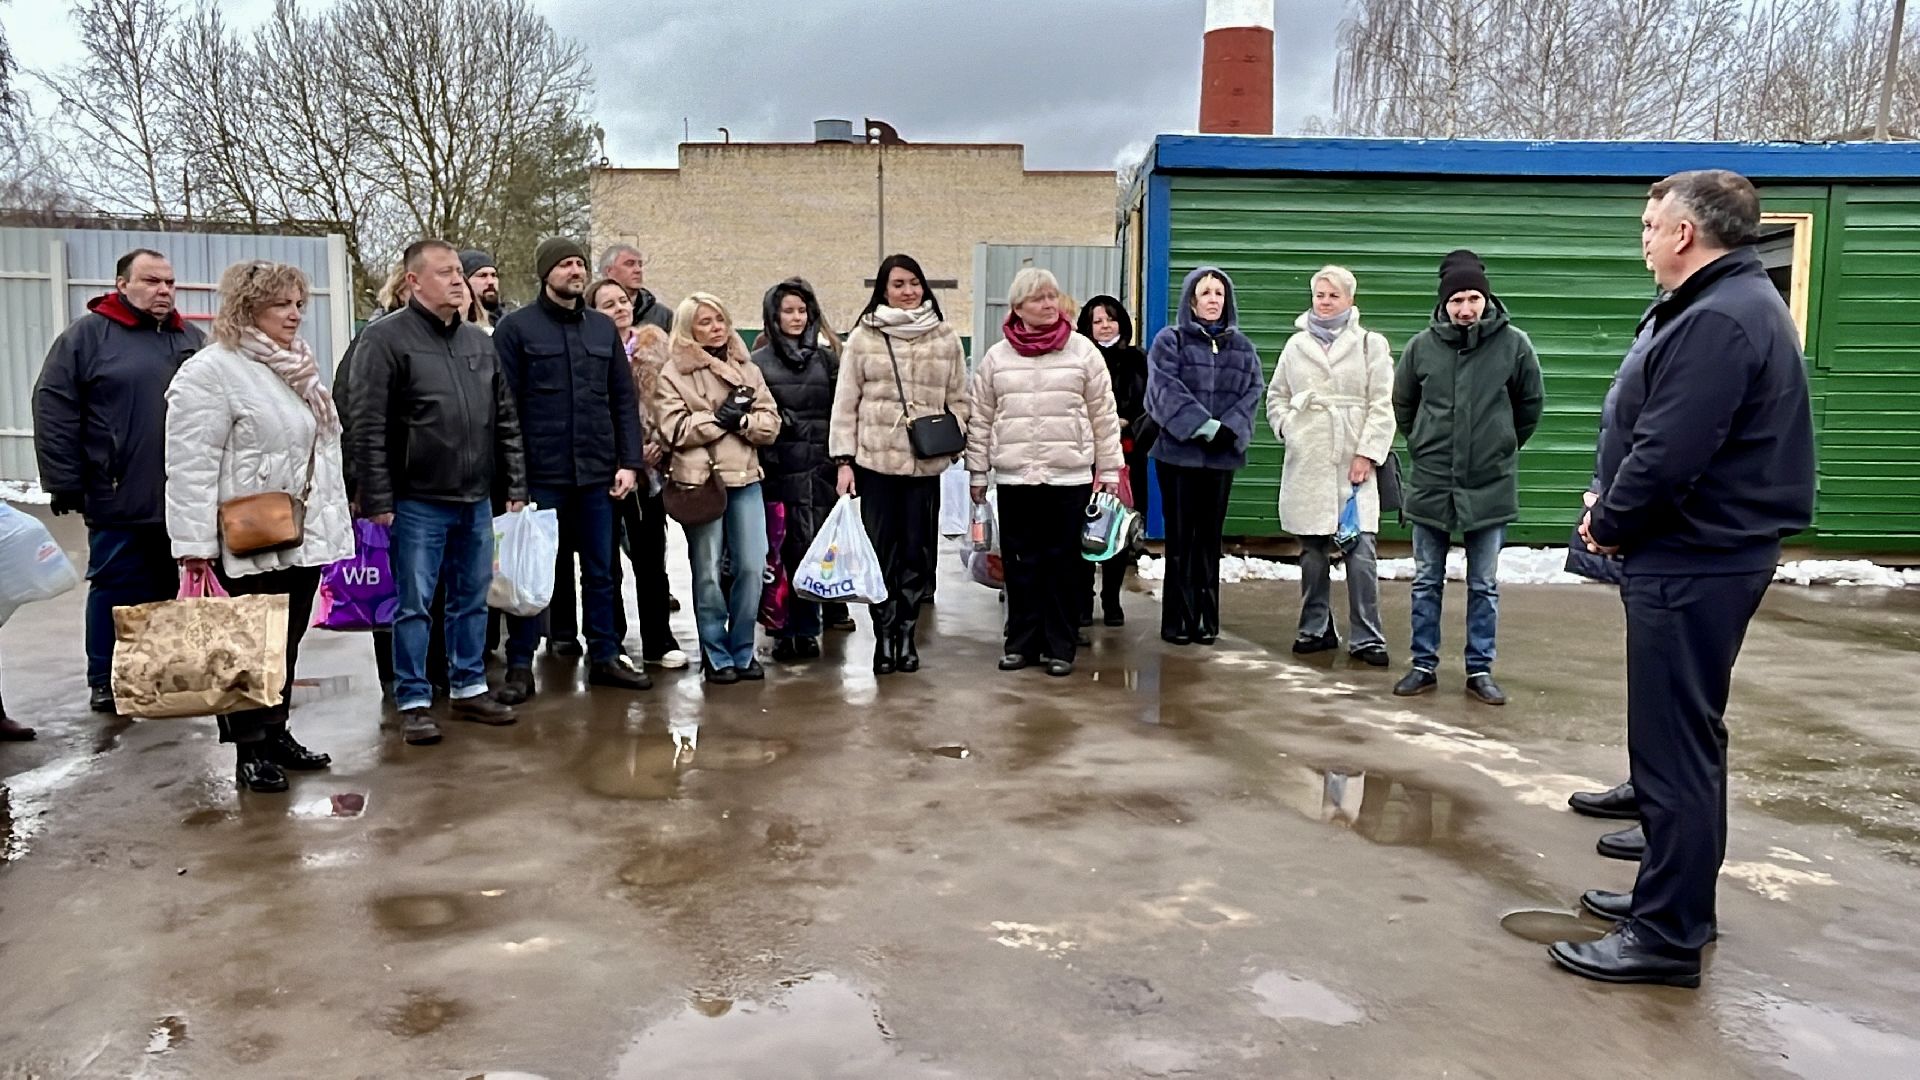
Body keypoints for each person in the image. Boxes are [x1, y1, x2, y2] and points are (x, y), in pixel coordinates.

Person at [1551, 170, 1815, 988]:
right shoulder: (1722, 303)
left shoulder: (1724, 318)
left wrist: (1610, 521)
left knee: (1675, 751)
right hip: (1697, 553)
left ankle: (1667, 935)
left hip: (1694, 555)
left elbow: (1670, 452)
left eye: (1651, 221)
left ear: (1687, 234)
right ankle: (1671, 902)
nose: (1643, 233)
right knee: (1679, 744)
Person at [162, 261, 355, 792]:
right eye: (280, 305)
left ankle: (277, 732)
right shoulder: (211, 372)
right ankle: (250, 750)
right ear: (247, 309)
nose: (294, 315)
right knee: (246, 645)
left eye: (298, 304)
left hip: (296, 531)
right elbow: (190, 467)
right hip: (244, 537)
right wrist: (194, 548)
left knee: (286, 640)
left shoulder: (295, 367)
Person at [349, 239, 528, 746]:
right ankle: (413, 698)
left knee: (471, 599)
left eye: (459, 273)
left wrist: (513, 484)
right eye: (446, 272)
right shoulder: (384, 340)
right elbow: (367, 423)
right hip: (416, 499)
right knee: (413, 605)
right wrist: (378, 497)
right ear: (414, 282)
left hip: (474, 498)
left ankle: (469, 685)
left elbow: (505, 420)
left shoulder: (479, 341)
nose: (458, 281)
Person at [33, 248, 206, 716]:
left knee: (166, 588)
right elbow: (54, 406)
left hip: (180, 493)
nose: (164, 291)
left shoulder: (190, 339)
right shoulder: (87, 338)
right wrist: (64, 479)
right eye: (152, 281)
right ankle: (105, 677)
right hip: (116, 486)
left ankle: (153, 673)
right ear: (122, 284)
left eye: (169, 283)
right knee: (115, 584)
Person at [491, 239, 651, 704]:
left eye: (580, 263)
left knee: (601, 570)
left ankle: (605, 655)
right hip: (541, 474)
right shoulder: (516, 330)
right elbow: (504, 410)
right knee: (532, 572)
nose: (575, 271)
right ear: (546, 274)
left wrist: (629, 463)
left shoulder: (602, 330)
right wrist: (512, 480)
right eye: (565, 265)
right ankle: (521, 665)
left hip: (598, 473)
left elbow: (623, 400)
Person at [1390, 250, 1544, 705]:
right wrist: (1421, 443)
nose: (1466, 308)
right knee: (1425, 580)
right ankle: (1422, 664)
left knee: (1484, 584)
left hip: (1489, 482)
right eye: (1457, 299)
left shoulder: (1514, 344)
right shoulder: (1422, 346)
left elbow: (1529, 405)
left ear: (1486, 297)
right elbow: (1404, 403)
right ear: (1444, 303)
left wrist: (1501, 444)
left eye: (1473, 297)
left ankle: (1480, 669)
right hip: (1432, 480)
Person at [966, 268, 1124, 677]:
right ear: (1018, 307)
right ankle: (1021, 643)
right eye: (1038, 298)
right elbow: (980, 419)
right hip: (1016, 478)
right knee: (1021, 565)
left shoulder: (1083, 352)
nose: (1049, 304)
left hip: (1068, 478)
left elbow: (1103, 415)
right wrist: (977, 473)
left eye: (1053, 296)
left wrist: (1109, 469)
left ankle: (1061, 645)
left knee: (1065, 566)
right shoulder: (996, 358)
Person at [829, 254, 969, 675]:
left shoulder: (944, 338)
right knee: (880, 554)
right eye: (898, 284)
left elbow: (960, 399)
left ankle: (907, 634)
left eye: (914, 283)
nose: (908, 292)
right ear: (883, 290)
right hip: (874, 465)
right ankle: (883, 634)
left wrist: (953, 439)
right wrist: (844, 460)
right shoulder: (864, 337)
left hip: (924, 466)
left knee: (916, 553)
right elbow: (845, 403)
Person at [1266, 265, 1396, 667]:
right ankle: (1315, 629)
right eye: (1319, 295)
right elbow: (1276, 396)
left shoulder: (1370, 345)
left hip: (1353, 460)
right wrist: (1288, 427)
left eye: (1332, 295)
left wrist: (1367, 454)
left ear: (1349, 300)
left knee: (1361, 552)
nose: (1324, 302)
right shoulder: (1295, 346)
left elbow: (1382, 404)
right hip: (1308, 460)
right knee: (1312, 552)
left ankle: (1367, 636)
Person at [650, 293, 780, 684]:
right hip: (701, 481)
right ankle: (715, 651)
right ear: (689, 328)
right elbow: (673, 429)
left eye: (719, 319)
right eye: (705, 322)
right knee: (706, 571)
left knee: (752, 566)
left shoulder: (746, 366)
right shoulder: (674, 372)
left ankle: (743, 648)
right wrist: (720, 418)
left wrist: (740, 424)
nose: (715, 328)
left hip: (745, 478)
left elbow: (770, 422)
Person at [1144, 266, 1264, 647]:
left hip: (1220, 459)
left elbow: (1252, 390)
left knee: (1209, 540)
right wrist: (1202, 425)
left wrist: (1231, 428)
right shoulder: (1171, 341)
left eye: (1219, 293)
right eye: (1206, 292)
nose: (1213, 299)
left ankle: (1206, 618)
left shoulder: (1242, 347)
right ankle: (1177, 619)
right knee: (1181, 539)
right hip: (1178, 456)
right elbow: (1163, 389)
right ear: (1191, 300)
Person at [590, 278, 688, 671]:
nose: (620, 307)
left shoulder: (657, 348)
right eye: (608, 303)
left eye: (623, 300)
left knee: (651, 559)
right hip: (603, 468)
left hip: (650, 471)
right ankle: (610, 642)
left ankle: (658, 640)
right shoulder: (592, 348)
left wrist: (661, 443)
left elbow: (674, 401)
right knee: (604, 564)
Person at [749, 278, 840, 662]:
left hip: (819, 470)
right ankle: (781, 628)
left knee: (815, 551)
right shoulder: (759, 363)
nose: (796, 318)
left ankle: (808, 627)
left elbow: (840, 412)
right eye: (788, 310)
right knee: (780, 553)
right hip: (777, 470)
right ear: (774, 315)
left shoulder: (826, 360)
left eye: (802, 310)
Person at [1076, 295, 1151, 627]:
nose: (1105, 326)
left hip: (1128, 456)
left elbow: (1152, 406)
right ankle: (1083, 599)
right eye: (1097, 320)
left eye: (1110, 319)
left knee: (1117, 528)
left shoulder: (1139, 360)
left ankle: (1112, 599)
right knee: (1085, 527)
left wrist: (1128, 424)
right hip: (1086, 457)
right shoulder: (1080, 359)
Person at [600, 243, 673, 332]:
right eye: (629, 264)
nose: (638, 270)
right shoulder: (588, 314)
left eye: (640, 265)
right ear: (609, 271)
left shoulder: (662, 315)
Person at [461, 249, 512, 326]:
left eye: (493, 275)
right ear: (464, 281)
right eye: (482, 276)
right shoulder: (454, 327)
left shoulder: (509, 323)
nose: (490, 282)